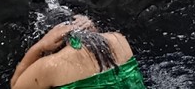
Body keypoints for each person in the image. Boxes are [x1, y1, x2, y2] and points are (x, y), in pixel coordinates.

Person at [10, 8, 144, 89]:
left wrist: (39, 46)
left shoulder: (50, 66)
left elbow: (15, 86)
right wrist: (93, 33)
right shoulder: (118, 39)